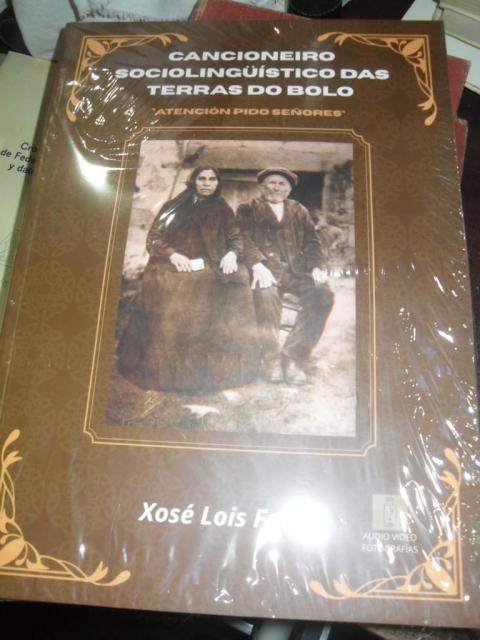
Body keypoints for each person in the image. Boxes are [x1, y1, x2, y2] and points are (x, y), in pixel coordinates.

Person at [117, 166, 259, 392]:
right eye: (202, 179)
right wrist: (173, 254)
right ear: (193, 182)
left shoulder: (222, 207)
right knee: (194, 286)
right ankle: (180, 374)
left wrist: (232, 254)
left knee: (239, 280)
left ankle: (227, 368)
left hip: (211, 262)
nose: (207, 183)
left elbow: (235, 236)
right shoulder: (175, 207)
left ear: (217, 183)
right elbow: (154, 238)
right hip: (171, 265)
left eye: (212, 179)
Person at [237, 167, 334, 385]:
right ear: (262, 187)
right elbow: (242, 238)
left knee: (323, 295)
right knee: (265, 298)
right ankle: (271, 359)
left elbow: (312, 241)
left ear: (289, 189)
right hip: (265, 271)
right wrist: (256, 264)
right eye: (271, 183)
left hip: (296, 271)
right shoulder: (248, 210)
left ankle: (294, 357)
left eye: (282, 184)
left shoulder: (298, 210)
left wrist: (316, 266)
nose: (276, 188)